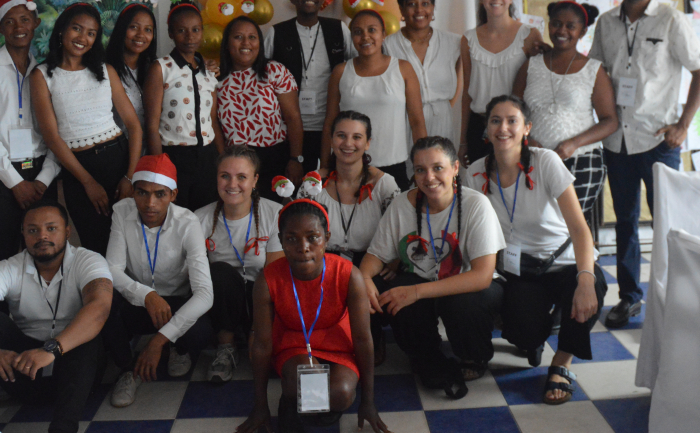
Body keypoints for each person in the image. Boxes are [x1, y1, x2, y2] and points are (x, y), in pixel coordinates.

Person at [588, 0, 700, 328]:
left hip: (659, 139)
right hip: (617, 141)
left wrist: (683, 125)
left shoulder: (671, 19)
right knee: (625, 222)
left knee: (667, 223)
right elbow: (593, 71)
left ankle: (677, 297)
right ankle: (630, 297)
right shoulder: (606, 23)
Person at [466, 95, 607, 405]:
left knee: (592, 287)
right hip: (521, 270)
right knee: (523, 334)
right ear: (486, 129)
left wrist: (585, 279)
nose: (503, 128)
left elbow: (580, 229)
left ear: (526, 128)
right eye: (495, 121)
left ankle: (562, 362)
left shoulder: (546, 162)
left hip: (564, 261)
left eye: (512, 121)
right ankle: (539, 330)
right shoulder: (475, 173)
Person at [360, 136, 504, 392]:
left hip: (467, 286)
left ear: (455, 168)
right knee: (393, 290)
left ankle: (474, 356)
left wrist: (416, 292)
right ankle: (424, 352)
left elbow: (482, 275)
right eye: (420, 170)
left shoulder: (476, 205)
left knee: (463, 303)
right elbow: (375, 256)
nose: (429, 177)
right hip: (423, 279)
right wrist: (364, 279)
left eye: (438, 168)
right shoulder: (402, 204)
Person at [236, 200, 388, 433]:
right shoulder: (268, 280)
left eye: (313, 237)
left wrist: (368, 402)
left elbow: (362, 339)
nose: (303, 247)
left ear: (326, 238)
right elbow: (262, 345)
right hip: (294, 342)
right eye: (291, 239)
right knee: (308, 379)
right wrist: (260, 405)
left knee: (341, 394)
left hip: (338, 342)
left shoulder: (349, 275)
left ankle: (313, 403)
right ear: (281, 240)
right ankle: (291, 400)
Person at [0, 200, 113, 433]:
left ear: (67, 232)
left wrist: (51, 350)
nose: (42, 236)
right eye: (33, 230)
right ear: (23, 234)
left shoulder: (88, 260)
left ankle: (63, 429)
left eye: (51, 228)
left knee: (87, 334)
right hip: (24, 369)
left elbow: (99, 308)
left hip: (75, 372)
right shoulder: (8, 268)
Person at [31, 3, 143, 256]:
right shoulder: (42, 75)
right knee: (95, 246)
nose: (83, 38)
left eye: (91, 33)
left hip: (118, 161)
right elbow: (52, 137)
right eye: (77, 29)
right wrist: (87, 182)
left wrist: (130, 177)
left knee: (131, 244)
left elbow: (134, 125)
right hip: (78, 169)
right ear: (62, 30)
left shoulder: (105, 70)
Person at [103, 154, 214, 408]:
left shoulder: (188, 222)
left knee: (201, 330)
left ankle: (176, 346)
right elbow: (111, 269)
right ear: (133, 192)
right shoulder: (121, 212)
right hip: (139, 302)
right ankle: (128, 369)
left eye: (160, 194)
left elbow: (205, 294)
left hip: (175, 303)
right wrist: (146, 295)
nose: (150, 203)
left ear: (173, 195)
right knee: (103, 300)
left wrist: (158, 341)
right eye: (142, 193)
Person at [0, 0, 61, 265]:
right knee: (4, 253)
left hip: (42, 174)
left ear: (35, 23)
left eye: (24, 19)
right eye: (9, 22)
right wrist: (16, 183)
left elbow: (57, 133)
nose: (18, 27)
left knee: (46, 253)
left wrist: (43, 179)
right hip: (3, 176)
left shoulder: (46, 71)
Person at [512, 0, 619, 214]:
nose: (562, 31)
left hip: (581, 160)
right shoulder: (531, 65)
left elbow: (610, 121)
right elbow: (512, 112)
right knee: (538, 222)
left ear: (582, 31)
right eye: (556, 24)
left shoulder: (593, 70)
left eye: (570, 26)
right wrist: (526, 140)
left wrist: (573, 143)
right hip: (534, 158)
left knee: (570, 225)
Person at [194, 145, 284, 383]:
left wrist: (257, 329)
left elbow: (274, 276)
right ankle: (226, 345)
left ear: (255, 180)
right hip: (221, 299)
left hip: (263, 296)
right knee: (218, 272)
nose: (232, 184)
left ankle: (254, 332)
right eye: (225, 176)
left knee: (272, 365)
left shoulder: (274, 213)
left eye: (241, 177)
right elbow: (196, 276)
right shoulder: (199, 219)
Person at [322, 9, 426, 187]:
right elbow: (330, 122)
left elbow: (417, 122)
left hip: (394, 165)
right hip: (349, 166)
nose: (365, 36)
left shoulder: (403, 69)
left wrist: (423, 166)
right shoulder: (341, 72)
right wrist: (324, 167)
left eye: (372, 30)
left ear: (383, 34)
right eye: (358, 32)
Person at [263, 0, 356, 171]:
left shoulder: (339, 29)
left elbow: (359, 64)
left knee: (326, 181)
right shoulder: (277, 32)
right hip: (287, 127)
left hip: (331, 126)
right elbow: (258, 72)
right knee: (289, 182)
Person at [144, 0, 223, 210]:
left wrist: (221, 158)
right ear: (171, 33)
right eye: (181, 30)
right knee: (176, 216)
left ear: (202, 31)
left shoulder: (208, 71)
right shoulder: (161, 68)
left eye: (195, 29)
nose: (190, 37)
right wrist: (159, 169)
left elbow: (212, 120)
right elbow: (151, 125)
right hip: (174, 157)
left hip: (207, 156)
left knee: (206, 214)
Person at [460, 0, 544, 165]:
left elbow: (539, 89)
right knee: (481, 182)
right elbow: (467, 93)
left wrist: (533, 133)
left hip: (515, 128)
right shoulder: (468, 39)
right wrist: (462, 140)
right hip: (479, 128)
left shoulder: (529, 35)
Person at [217, 15, 305, 201]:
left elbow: (293, 117)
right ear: (227, 43)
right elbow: (212, 123)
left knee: (271, 212)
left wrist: (295, 159)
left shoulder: (274, 71)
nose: (246, 43)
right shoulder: (216, 79)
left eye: (252, 37)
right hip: (235, 163)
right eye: (238, 37)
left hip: (273, 159)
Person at [298, 110, 399, 265]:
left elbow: (398, 232)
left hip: (370, 265)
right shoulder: (312, 182)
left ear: (367, 143)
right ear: (331, 140)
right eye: (341, 136)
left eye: (356, 137)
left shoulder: (384, 185)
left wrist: (393, 263)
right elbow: (298, 230)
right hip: (321, 264)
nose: (348, 143)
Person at [384, 0, 463, 143]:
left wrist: (446, 106)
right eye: (411, 4)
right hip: (404, 123)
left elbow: (460, 80)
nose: (419, 10)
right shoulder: (388, 46)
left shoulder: (454, 43)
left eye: (425, 4)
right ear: (401, 9)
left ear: (433, 8)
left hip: (443, 121)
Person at [105, 0, 158, 133]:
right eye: (133, 27)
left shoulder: (155, 68)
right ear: (122, 28)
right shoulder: (105, 70)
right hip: (119, 143)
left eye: (148, 30)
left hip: (154, 143)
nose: (140, 35)